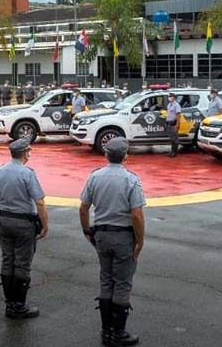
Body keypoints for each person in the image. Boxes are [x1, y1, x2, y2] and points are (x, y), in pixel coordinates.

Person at [79, 137, 145, 347]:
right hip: (123, 236)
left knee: (106, 280)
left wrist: (87, 231)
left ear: (106, 155)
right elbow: (136, 214)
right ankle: (119, 332)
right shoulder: (131, 179)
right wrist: (140, 240)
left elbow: (83, 208)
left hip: (101, 235)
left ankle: (106, 330)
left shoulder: (95, 177)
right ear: (126, 156)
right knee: (123, 283)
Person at [0, 138, 49, 319]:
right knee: (22, 263)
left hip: (4, 220)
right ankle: (18, 305)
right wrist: (45, 225)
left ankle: (9, 304)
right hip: (23, 223)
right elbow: (39, 202)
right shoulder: (27, 174)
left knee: (7, 260)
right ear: (25, 153)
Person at [166, 93, 182, 158]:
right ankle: (172, 151)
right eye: (169, 96)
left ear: (174, 98)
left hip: (174, 123)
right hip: (169, 123)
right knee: (172, 138)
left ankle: (175, 152)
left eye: (170, 96)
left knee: (175, 139)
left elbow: (178, 115)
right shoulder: (169, 105)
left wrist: (177, 125)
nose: (169, 97)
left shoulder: (176, 105)